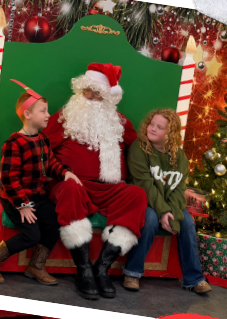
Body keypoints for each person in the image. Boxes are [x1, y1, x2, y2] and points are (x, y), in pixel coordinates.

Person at [46, 63, 150, 300]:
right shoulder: (65, 118)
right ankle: (83, 269)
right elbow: (41, 149)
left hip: (109, 189)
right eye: (87, 91)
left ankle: (101, 269)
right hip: (73, 185)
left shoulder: (120, 122)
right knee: (70, 189)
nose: (90, 97)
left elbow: (141, 153)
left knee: (136, 195)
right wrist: (62, 172)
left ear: (107, 97)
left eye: (97, 93)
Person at [0, 79, 83, 287]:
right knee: (31, 234)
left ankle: (36, 266)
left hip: (37, 197)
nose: (48, 115)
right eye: (43, 111)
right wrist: (22, 205)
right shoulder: (14, 143)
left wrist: (64, 173)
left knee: (54, 223)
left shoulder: (43, 139)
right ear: (28, 115)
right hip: (15, 198)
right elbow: (9, 178)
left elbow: (51, 162)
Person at [122, 108, 212, 295]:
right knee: (150, 218)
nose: (152, 128)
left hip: (168, 202)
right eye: (151, 124)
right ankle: (132, 272)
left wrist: (173, 215)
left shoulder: (180, 157)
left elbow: (179, 190)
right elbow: (145, 185)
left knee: (187, 222)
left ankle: (194, 278)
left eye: (159, 127)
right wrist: (164, 213)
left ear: (170, 133)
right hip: (142, 199)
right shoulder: (139, 148)